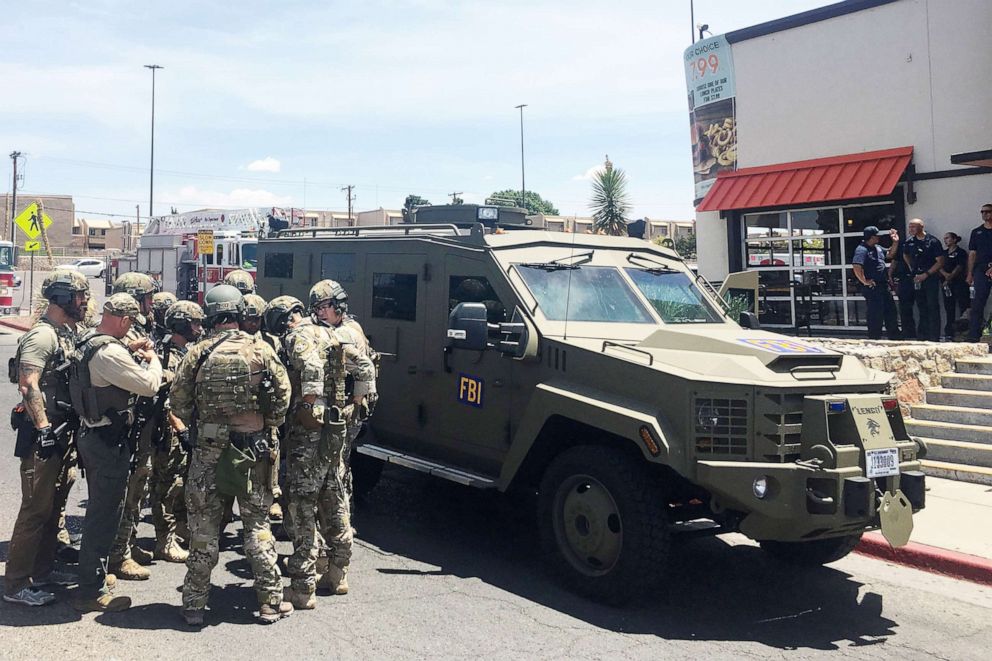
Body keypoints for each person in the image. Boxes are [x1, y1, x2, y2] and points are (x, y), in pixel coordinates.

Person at [170, 285, 291, 626]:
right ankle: (270, 602)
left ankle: (194, 605)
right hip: (253, 451)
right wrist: (264, 423)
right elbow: (283, 399)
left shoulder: (198, 353)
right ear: (238, 313)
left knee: (204, 531)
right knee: (257, 526)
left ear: (210, 315)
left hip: (208, 451)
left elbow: (178, 402)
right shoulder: (262, 349)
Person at [265, 295, 373, 608]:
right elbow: (364, 367)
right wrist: (355, 405)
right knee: (335, 496)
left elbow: (310, 366)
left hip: (309, 432)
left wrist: (310, 404)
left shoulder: (300, 336)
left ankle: (302, 588)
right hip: (336, 428)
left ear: (285, 321)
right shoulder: (332, 333)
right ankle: (338, 574)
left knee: (301, 504)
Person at [72, 294, 163, 612]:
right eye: (130, 326)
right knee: (104, 514)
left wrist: (129, 350)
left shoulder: (90, 339)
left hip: (93, 435)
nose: (131, 332)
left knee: (101, 510)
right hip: (107, 442)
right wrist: (154, 361)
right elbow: (149, 385)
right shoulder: (109, 352)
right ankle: (91, 591)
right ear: (124, 320)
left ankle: (94, 575)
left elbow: (107, 362)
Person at [3, 271, 89, 607]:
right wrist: (43, 429)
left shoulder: (65, 332)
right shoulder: (42, 336)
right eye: (80, 296)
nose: (84, 302)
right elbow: (28, 384)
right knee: (35, 510)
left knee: (54, 506)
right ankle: (15, 584)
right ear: (64, 298)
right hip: (44, 434)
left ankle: (41, 571)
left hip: (62, 432)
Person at [108, 272, 161, 581]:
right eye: (146, 298)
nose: (151, 304)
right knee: (129, 489)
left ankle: (127, 542)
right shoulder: (126, 333)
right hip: (128, 423)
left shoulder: (139, 328)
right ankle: (118, 554)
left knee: (139, 486)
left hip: (142, 419)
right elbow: (139, 376)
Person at [309, 279, 378, 506]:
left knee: (336, 465)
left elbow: (363, 369)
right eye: (317, 309)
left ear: (338, 305)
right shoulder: (348, 326)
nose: (320, 313)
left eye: (324, 307)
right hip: (349, 407)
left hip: (347, 409)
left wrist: (355, 405)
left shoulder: (345, 334)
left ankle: (340, 515)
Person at [148, 301, 205, 563]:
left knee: (183, 484)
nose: (199, 328)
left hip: (185, 428)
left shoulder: (187, 351)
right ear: (181, 324)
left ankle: (180, 529)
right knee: (166, 487)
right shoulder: (168, 355)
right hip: (170, 432)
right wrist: (181, 431)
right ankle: (165, 539)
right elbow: (169, 400)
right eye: (194, 323)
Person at [852, 226, 902, 340]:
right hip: (873, 287)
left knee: (890, 311)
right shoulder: (862, 249)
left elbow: (889, 254)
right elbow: (856, 266)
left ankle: (894, 337)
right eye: (876, 236)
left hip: (883, 285)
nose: (878, 237)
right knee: (875, 314)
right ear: (871, 237)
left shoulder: (877, 248)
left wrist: (895, 242)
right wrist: (864, 281)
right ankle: (874, 338)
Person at [903, 218, 945, 342]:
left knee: (932, 305)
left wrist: (926, 274)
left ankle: (934, 336)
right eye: (909, 227)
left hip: (930, 277)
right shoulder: (910, 242)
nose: (910, 229)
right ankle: (922, 335)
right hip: (917, 278)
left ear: (921, 227)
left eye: (913, 227)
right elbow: (905, 254)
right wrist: (912, 268)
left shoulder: (932, 241)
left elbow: (940, 261)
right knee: (921, 306)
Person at [967, 203, 992, 342]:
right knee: (978, 303)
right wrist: (970, 273)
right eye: (982, 212)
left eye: (988, 211)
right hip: (981, 270)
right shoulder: (976, 232)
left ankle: (989, 333)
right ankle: (974, 336)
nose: (985, 214)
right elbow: (972, 254)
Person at [939, 232, 970, 341]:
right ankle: (949, 332)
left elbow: (960, 266)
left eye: (947, 238)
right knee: (949, 308)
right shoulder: (943, 253)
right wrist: (945, 276)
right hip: (946, 284)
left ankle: (964, 331)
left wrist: (950, 276)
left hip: (959, 283)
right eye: (944, 238)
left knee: (963, 306)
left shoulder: (960, 252)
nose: (945, 240)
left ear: (954, 239)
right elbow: (939, 265)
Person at [889, 238, 916, 339]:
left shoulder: (927, 243)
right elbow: (895, 260)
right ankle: (908, 332)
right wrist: (890, 274)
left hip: (920, 277)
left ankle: (925, 333)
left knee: (924, 306)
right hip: (904, 279)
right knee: (904, 307)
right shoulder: (905, 245)